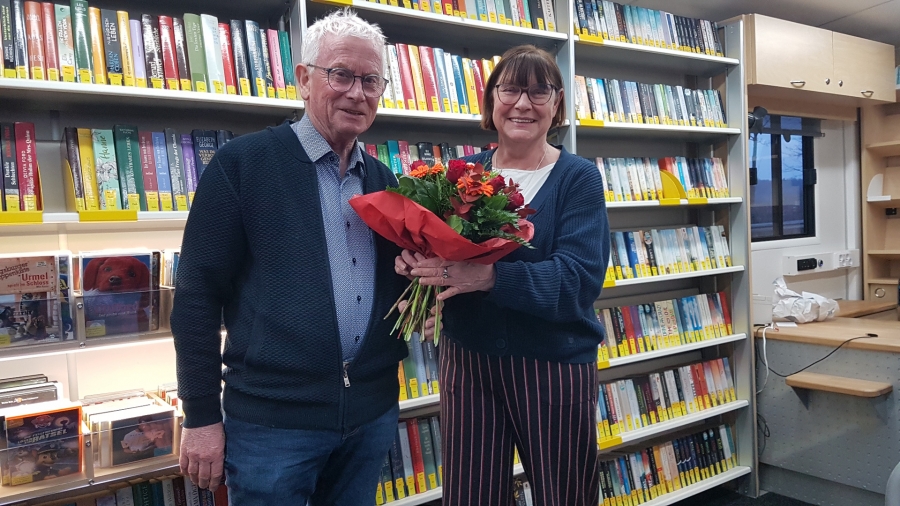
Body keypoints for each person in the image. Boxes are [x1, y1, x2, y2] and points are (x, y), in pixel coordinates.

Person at [170, 8, 407, 505]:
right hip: (271, 426)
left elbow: (397, 290)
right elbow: (195, 298)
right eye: (340, 74)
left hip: (370, 415)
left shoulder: (386, 182)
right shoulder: (242, 165)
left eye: (370, 80)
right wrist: (201, 416)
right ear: (303, 79)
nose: (356, 92)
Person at [396, 45, 610, 506]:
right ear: (492, 100)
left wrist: (487, 278)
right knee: (471, 496)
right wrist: (417, 271)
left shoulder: (578, 178)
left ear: (556, 106)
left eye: (539, 92)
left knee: (564, 494)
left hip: (551, 365)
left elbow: (577, 281)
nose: (522, 103)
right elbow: (438, 256)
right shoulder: (460, 174)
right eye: (510, 89)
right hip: (468, 362)